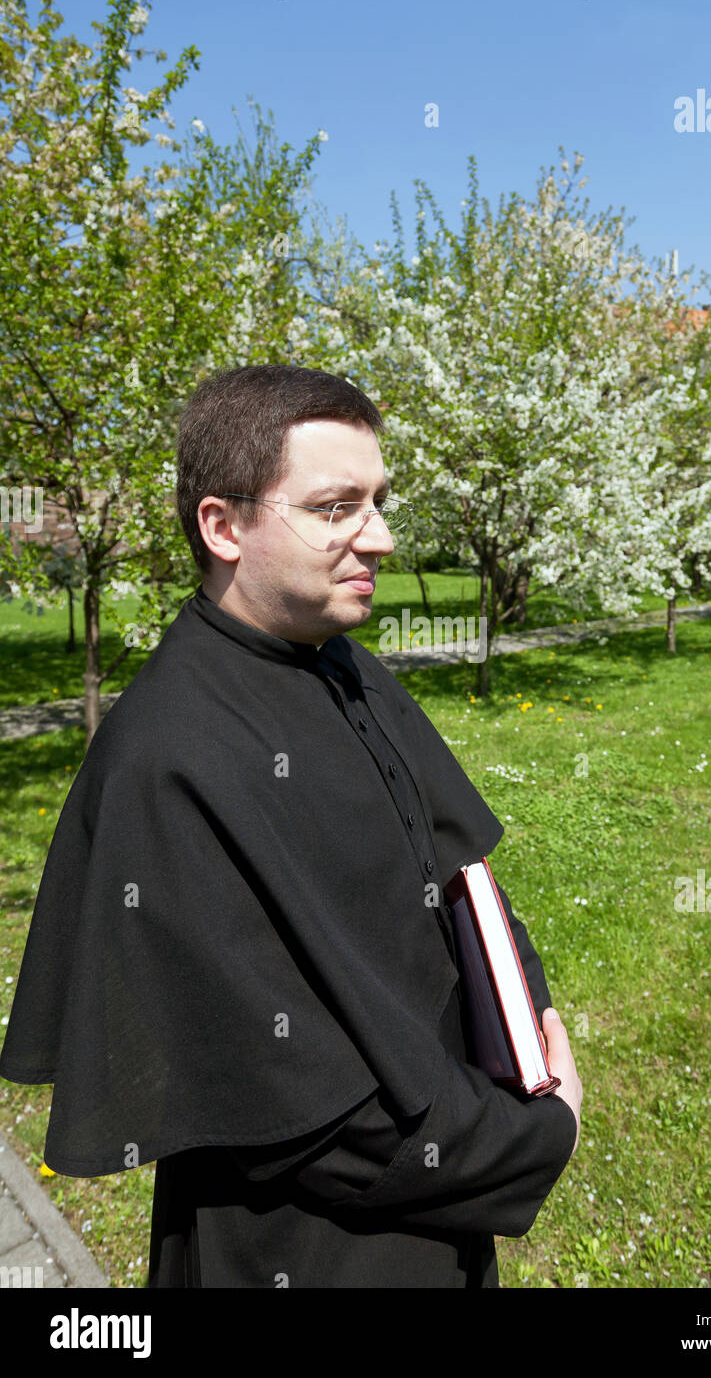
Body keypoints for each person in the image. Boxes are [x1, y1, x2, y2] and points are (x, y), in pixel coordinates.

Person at [0, 363, 583, 1289]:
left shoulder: (341, 663)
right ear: (223, 527)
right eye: (335, 506)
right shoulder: (168, 760)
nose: (381, 538)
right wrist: (532, 1136)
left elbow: (456, 872)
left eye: (380, 501)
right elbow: (306, 1121)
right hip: (307, 1247)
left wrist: (526, 1034)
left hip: (440, 1179)